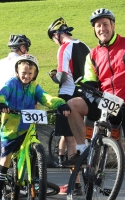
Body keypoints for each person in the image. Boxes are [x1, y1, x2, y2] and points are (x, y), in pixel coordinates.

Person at [62, 8, 125, 200]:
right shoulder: (92, 55)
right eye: (98, 26)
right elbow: (89, 84)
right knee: (73, 104)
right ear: (94, 30)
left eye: (105, 24)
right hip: (106, 104)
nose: (102, 28)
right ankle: (81, 149)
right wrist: (95, 98)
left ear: (113, 25)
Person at [0, 54, 71, 200]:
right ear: (17, 72)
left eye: (30, 73)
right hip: (12, 128)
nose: (26, 76)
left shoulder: (34, 87)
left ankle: (34, 175)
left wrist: (60, 104)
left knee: (34, 147)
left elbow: (46, 97)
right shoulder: (11, 83)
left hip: (28, 127)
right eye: (23, 73)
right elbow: (3, 93)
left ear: (34, 74)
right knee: (6, 157)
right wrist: (1, 104)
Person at [47, 17, 90, 195]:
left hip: (68, 94)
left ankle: (76, 184)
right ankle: (86, 180)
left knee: (71, 139)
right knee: (83, 139)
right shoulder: (85, 45)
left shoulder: (64, 48)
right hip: (86, 95)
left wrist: (53, 75)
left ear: (57, 35)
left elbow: (63, 77)